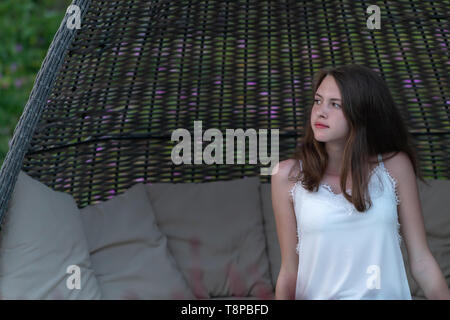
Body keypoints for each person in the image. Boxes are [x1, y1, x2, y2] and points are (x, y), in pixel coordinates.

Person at [271, 64, 450, 300]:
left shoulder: (396, 166)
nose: (320, 112)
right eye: (317, 101)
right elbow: (289, 272)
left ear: (361, 113)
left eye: (335, 104)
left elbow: (421, 261)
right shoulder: (286, 175)